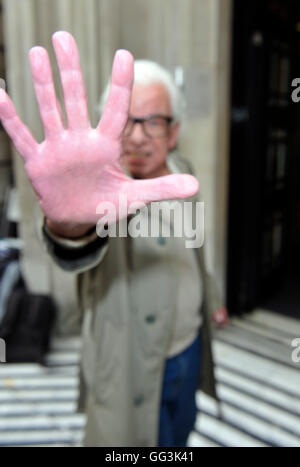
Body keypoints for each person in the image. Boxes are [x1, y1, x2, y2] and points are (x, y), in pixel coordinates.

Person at [0, 31, 229, 447]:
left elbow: (196, 249)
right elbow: (76, 243)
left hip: (189, 346)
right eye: (127, 121)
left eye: (153, 122)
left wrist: (211, 301)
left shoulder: (182, 170)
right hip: (126, 361)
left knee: (179, 434)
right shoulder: (99, 192)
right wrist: (70, 225)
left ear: (173, 132)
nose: (139, 137)